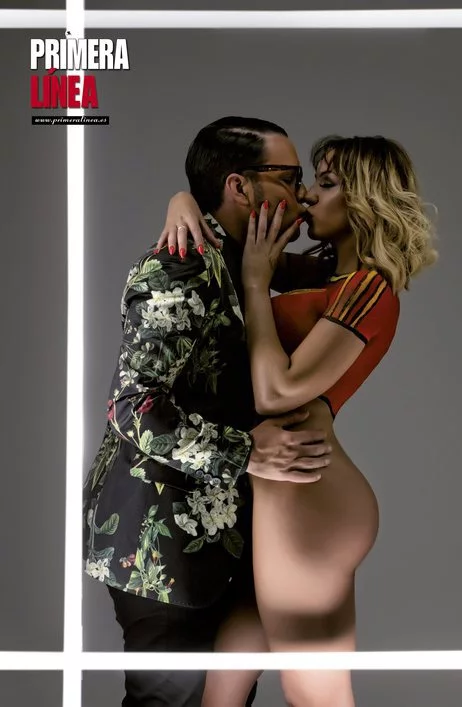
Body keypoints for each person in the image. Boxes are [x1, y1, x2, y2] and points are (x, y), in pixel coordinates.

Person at [156, 133, 438, 707]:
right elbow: (231, 251)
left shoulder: (368, 290)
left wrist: (257, 285)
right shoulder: (323, 274)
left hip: (306, 495)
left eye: (326, 184)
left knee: (314, 693)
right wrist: (182, 202)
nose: (306, 195)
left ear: (363, 200)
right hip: (285, 493)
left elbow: (276, 391)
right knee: (223, 688)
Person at [82, 116, 333, 707]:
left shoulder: (247, 259)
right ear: (239, 186)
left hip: (221, 535)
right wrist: (246, 453)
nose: (301, 194)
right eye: (289, 177)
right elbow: (133, 405)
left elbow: (339, 266)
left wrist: (184, 196)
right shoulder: (182, 263)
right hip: (160, 538)